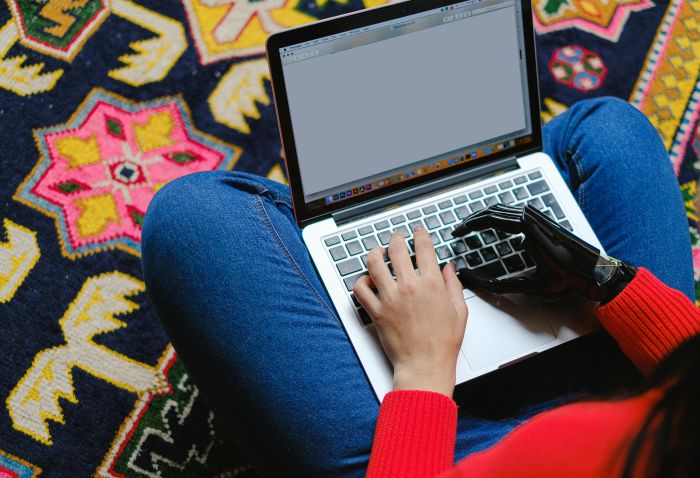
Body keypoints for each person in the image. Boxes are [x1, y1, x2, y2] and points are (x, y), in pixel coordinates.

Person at [141, 97, 700, 477]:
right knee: (605, 126)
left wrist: (423, 372)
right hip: (644, 401)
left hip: (457, 457)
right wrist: (606, 280)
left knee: (194, 216)